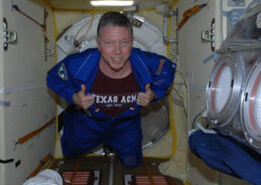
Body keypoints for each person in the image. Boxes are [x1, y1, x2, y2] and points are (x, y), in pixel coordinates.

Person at [46, 11, 176, 167]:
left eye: (124, 42)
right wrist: (74, 98)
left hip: (126, 125)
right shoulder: (79, 63)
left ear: (132, 42)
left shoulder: (146, 61)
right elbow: (53, 77)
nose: (118, 51)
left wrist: (153, 93)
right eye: (109, 43)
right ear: (99, 44)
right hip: (90, 122)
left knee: (133, 163)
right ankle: (71, 115)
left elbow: (168, 69)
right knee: (70, 153)